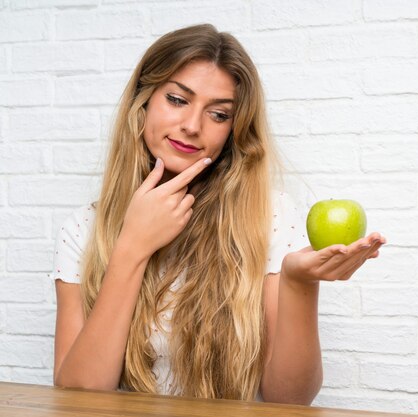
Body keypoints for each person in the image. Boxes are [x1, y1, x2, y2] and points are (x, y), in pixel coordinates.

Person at [50, 23, 386, 405]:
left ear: (234, 130)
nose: (192, 126)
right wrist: (132, 246)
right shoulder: (82, 229)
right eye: (177, 100)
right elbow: (79, 397)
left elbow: (290, 399)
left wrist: (299, 284)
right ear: (142, 103)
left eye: (219, 114)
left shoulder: (269, 217)